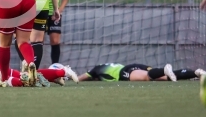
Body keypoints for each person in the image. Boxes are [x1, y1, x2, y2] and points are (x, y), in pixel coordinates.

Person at [77, 62, 206, 82]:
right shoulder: (104, 66)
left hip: (124, 72)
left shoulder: (95, 70)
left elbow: (80, 78)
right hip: (133, 66)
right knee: (165, 78)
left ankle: (164, 69)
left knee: (146, 77)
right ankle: (196, 73)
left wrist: (69, 77)